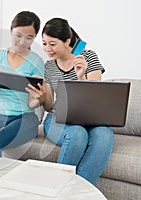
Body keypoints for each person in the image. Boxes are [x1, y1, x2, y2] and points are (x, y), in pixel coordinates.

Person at [32, 17, 114, 184]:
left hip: (90, 118)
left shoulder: (87, 57)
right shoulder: (48, 67)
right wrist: (42, 97)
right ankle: (63, 189)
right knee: (76, 134)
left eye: (52, 44)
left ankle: (72, 193)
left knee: (105, 135)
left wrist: (81, 76)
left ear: (67, 41)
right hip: (58, 118)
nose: (47, 49)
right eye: (44, 43)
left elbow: (96, 97)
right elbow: (49, 106)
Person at [0, 11, 52, 157]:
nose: (22, 42)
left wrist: (39, 96)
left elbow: (33, 103)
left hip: (24, 119)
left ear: (34, 38)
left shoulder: (36, 62)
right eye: (18, 35)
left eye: (29, 38)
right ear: (11, 31)